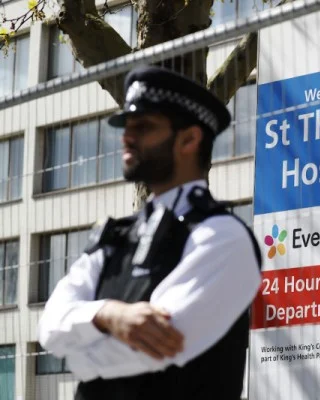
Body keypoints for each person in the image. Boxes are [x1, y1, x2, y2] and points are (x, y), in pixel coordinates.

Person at [37, 66, 262, 400]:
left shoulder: (222, 235)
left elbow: (159, 347)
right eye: (127, 127)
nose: (127, 138)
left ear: (189, 139)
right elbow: (49, 326)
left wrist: (76, 356)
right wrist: (108, 314)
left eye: (143, 127)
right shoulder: (116, 236)